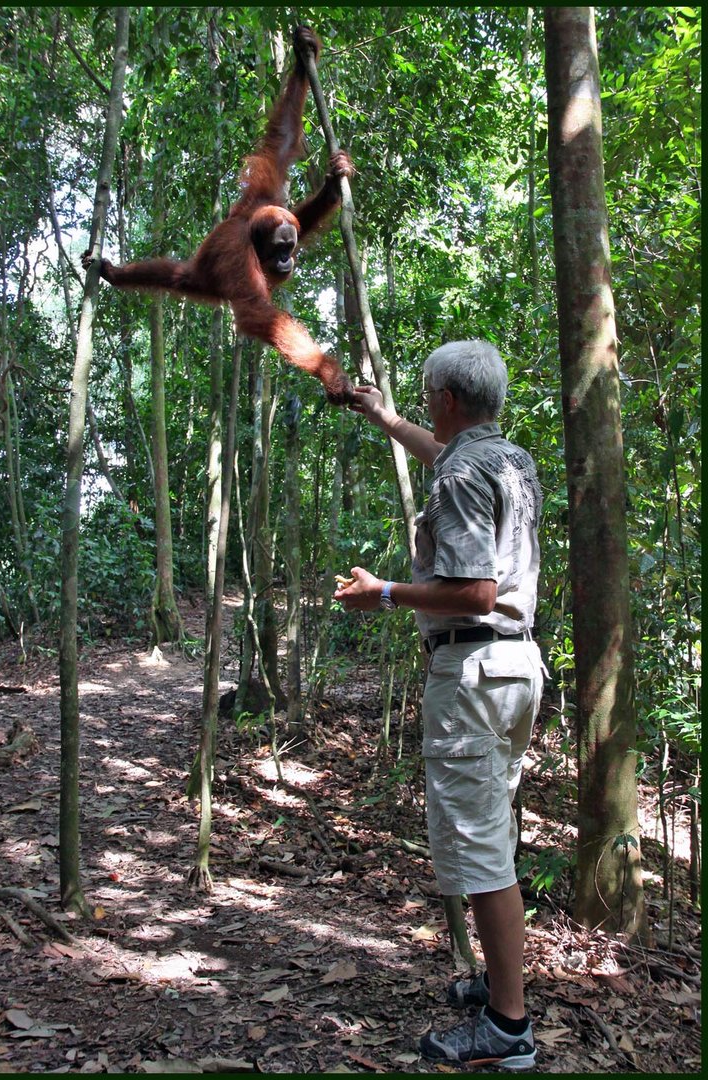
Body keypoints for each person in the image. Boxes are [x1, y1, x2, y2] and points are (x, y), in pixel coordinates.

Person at [335, 340, 544, 1070]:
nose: (427, 407)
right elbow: (443, 458)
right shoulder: (508, 460)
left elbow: (475, 590)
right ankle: (502, 982)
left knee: (482, 850)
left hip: (474, 667)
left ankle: (508, 1028)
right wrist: (385, 417)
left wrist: (384, 593)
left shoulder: (464, 472)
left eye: (427, 398)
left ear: (449, 400)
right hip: (516, 669)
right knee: (495, 834)